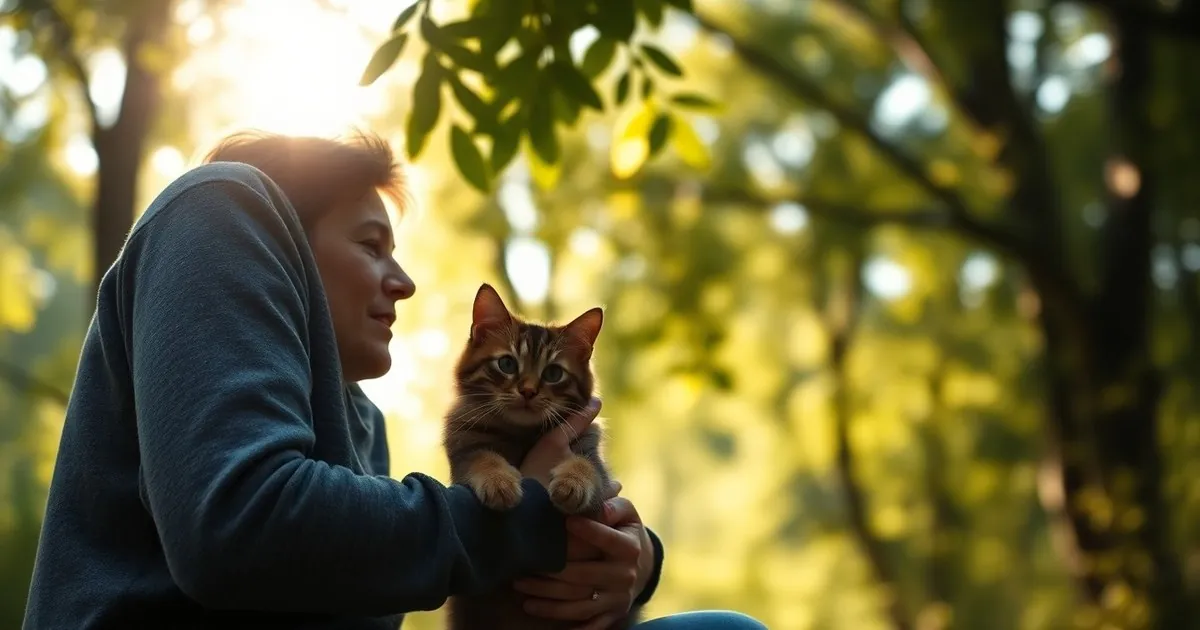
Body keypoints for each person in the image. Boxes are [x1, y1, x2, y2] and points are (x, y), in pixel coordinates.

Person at [22, 130, 766, 630]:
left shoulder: (359, 422)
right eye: (372, 245)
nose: (402, 281)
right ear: (277, 243)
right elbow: (240, 526)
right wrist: (531, 517)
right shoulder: (218, 208)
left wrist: (623, 556)